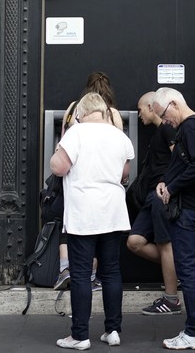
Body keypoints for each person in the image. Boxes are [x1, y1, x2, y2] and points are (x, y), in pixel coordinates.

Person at [50, 92, 134, 350]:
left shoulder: (76, 133)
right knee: (111, 272)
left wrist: (59, 148)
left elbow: (58, 167)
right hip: (112, 213)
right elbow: (124, 173)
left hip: (83, 214)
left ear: (81, 113)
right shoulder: (120, 136)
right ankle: (113, 330)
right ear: (105, 112)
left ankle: (80, 335)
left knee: (81, 274)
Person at [153, 87, 195, 351]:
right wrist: (166, 180)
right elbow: (188, 163)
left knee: (188, 269)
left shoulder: (189, 127)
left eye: (165, 116)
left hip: (187, 209)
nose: (165, 122)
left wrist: (173, 187)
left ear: (174, 104)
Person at [54, 71, 123, 291]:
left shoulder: (73, 108)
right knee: (100, 232)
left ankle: (66, 269)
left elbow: (62, 144)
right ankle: (92, 276)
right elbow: (120, 154)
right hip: (106, 186)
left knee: (71, 224)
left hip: (75, 180)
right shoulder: (112, 114)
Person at [126, 91, 181, 316]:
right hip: (151, 196)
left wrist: (167, 184)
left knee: (164, 243)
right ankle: (181, 271)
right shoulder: (159, 132)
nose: (139, 114)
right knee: (135, 241)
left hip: (161, 195)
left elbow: (179, 158)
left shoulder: (167, 129)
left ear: (151, 107)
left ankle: (171, 299)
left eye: (141, 109)